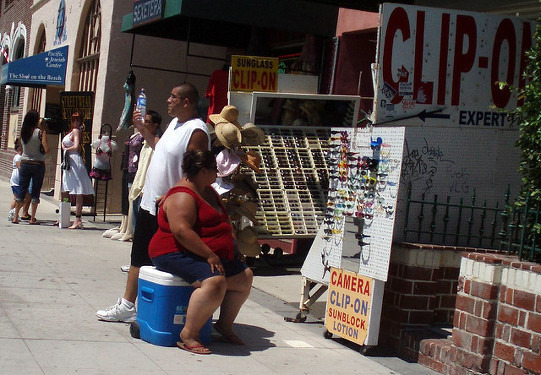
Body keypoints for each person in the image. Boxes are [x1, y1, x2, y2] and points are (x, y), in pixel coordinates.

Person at [97, 82, 210, 322]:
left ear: (186, 102)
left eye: (173, 97)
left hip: (171, 209)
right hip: (151, 203)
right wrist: (143, 130)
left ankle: (178, 311)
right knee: (139, 257)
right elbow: (161, 148)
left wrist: (174, 196)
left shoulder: (197, 130)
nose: (168, 100)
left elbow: (195, 171)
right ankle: (128, 305)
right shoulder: (174, 125)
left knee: (166, 262)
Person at [149, 150, 253, 354]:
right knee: (215, 282)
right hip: (172, 252)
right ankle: (189, 334)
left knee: (244, 277)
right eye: (215, 169)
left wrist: (232, 247)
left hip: (202, 250)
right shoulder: (182, 196)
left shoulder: (207, 190)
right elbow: (181, 232)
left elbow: (222, 223)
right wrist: (210, 255)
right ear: (204, 170)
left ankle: (224, 325)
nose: (217, 173)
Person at [12, 110, 49, 224]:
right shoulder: (40, 133)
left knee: (22, 189)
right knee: (35, 190)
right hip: (38, 164)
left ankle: (16, 216)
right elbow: (46, 149)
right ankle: (32, 217)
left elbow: (21, 148)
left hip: (25, 163)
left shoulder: (23, 133)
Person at [61, 112, 95, 229]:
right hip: (68, 161)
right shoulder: (71, 131)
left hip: (74, 161)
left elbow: (76, 146)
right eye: (73, 120)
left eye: (77, 120)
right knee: (66, 188)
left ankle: (78, 217)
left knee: (78, 190)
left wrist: (66, 149)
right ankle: (64, 213)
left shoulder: (76, 131)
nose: (75, 122)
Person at [9, 138, 31, 221]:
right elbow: (20, 168)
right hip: (17, 181)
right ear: (20, 148)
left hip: (18, 180)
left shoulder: (20, 157)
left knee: (25, 197)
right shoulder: (18, 157)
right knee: (18, 198)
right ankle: (13, 212)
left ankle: (13, 212)